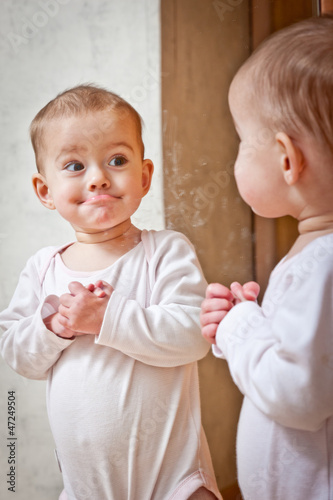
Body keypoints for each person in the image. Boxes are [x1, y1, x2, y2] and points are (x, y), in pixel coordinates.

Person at [0, 84, 221, 500]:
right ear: (45, 191)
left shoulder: (165, 251)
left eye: (116, 160)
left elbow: (193, 335)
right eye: (74, 166)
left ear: (143, 176)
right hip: (87, 488)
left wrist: (108, 318)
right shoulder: (43, 268)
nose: (99, 178)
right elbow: (17, 354)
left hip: (174, 479)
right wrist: (53, 326)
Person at [200, 15, 333, 500]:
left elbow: (297, 391)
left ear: (285, 159)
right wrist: (245, 323)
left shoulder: (323, 266)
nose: (235, 157)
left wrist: (239, 328)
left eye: (241, 141)